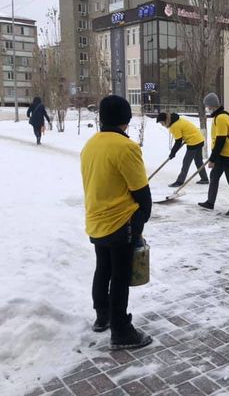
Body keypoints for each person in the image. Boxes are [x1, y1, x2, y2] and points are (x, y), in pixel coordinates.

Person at [80, 95, 153, 350]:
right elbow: (140, 190)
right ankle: (121, 330)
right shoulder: (126, 147)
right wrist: (142, 218)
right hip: (121, 221)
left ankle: (103, 316)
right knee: (121, 275)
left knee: (103, 268)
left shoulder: (90, 144)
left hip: (96, 219)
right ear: (125, 119)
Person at [198, 92, 229, 216]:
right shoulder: (218, 117)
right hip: (221, 154)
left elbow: (221, 140)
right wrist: (215, 157)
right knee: (214, 176)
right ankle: (210, 202)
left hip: (228, 155)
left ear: (212, 105)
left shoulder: (221, 118)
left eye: (207, 106)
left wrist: (212, 159)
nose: (207, 108)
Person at [156, 112, 210, 187]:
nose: (162, 124)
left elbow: (178, 141)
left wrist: (173, 153)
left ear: (166, 120)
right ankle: (204, 179)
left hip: (193, 141)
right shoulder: (176, 119)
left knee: (186, 162)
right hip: (199, 139)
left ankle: (179, 181)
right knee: (198, 161)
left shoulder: (174, 126)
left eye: (162, 122)